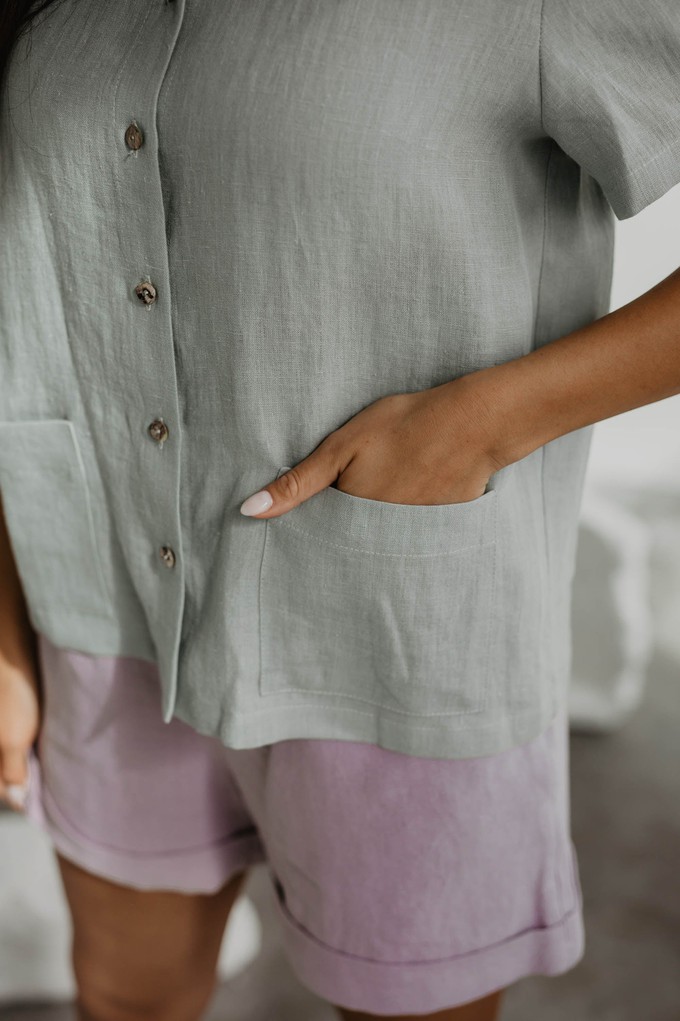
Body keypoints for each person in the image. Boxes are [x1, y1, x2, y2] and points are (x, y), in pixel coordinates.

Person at [1, 1, 679, 1019]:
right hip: (96, 614)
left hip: (389, 631)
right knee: (123, 999)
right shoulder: (60, 14)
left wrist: (488, 421)